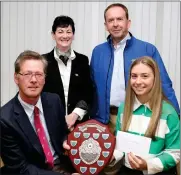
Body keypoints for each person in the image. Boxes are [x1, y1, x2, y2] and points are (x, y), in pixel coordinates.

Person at [90, 3, 180, 134]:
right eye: (111, 20)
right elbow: (91, 87)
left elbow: (163, 84)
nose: (115, 24)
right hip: (104, 121)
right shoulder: (98, 52)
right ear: (106, 25)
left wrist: (176, 116)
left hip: (137, 119)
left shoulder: (147, 49)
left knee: (132, 155)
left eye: (120, 19)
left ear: (128, 23)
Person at [0, 50, 78, 175]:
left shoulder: (54, 101)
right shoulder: (4, 119)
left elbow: (63, 132)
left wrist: (65, 140)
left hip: (63, 165)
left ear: (45, 78)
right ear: (16, 78)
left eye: (39, 74)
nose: (34, 80)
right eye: (27, 74)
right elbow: (20, 169)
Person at [110, 56, 180, 175]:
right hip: (127, 171)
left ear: (155, 79)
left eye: (145, 76)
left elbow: (175, 153)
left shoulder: (169, 113)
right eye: (134, 76)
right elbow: (120, 146)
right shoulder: (123, 109)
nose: (138, 82)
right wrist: (110, 157)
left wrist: (148, 165)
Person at [42, 15, 93, 130]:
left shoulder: (83, 60)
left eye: (68, 32)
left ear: (73, 35)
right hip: (50, 123)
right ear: (53, 35)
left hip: (78, 124)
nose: (65, 36)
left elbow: (88, 92)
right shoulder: (43, 61)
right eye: (60, 32)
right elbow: (41, 94)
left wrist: (74, 115)